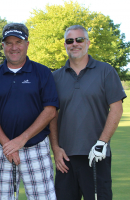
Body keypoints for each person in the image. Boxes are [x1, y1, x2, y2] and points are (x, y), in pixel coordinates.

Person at [50, 25, 127, 200]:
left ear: (88, 43)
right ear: (65, 45)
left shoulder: (106, 71)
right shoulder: (55, 77)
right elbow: (52, 115)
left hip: (96, 155)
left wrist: (102, 143)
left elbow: (116, 108)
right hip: (65, 159)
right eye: (70, 40)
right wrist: (55, 148)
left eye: (79, 39)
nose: (74, 44)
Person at [0, 23, 58, 200]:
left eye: (18, 41)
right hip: (3, 149)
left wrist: (21, 140)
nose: (13, 47)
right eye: (8, 43)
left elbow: (50, 110)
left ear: (27, 44)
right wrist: (8, 145)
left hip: (36, 148)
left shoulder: (42, 72)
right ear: (3, 46)